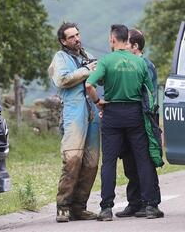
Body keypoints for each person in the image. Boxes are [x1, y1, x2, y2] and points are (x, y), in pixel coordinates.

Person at [86, 24, 164, 221]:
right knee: (143, 159)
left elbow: (89, 85)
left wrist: (98, 102)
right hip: (136, 114)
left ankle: (106, 209)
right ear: (125, 40)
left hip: (112, 114)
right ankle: (151, 206)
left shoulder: (106, 61)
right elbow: (148, 92)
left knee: (109, 162)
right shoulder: (140, 63)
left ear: (113, 40)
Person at [48, 22, 100, 223]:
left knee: (91, 162)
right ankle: (63, 206)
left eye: (77, 35)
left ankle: (79, 207)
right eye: (71, 37)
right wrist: (88, 70)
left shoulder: (86, 55)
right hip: (73, 113)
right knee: (72, 160)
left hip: (92, 113)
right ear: (63, 41)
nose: (77, 39)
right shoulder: (60, 58)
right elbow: (62, 80)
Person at [115, 28, 161, 218]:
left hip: (143, 118)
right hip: (128, 118)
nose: (122, 46)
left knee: (145, 161)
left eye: (125, 43)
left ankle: (151, 203)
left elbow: (147, 95)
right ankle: (134, 203)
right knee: (130, 163)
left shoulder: (145, 65)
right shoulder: (126, 64)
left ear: (135, 46)